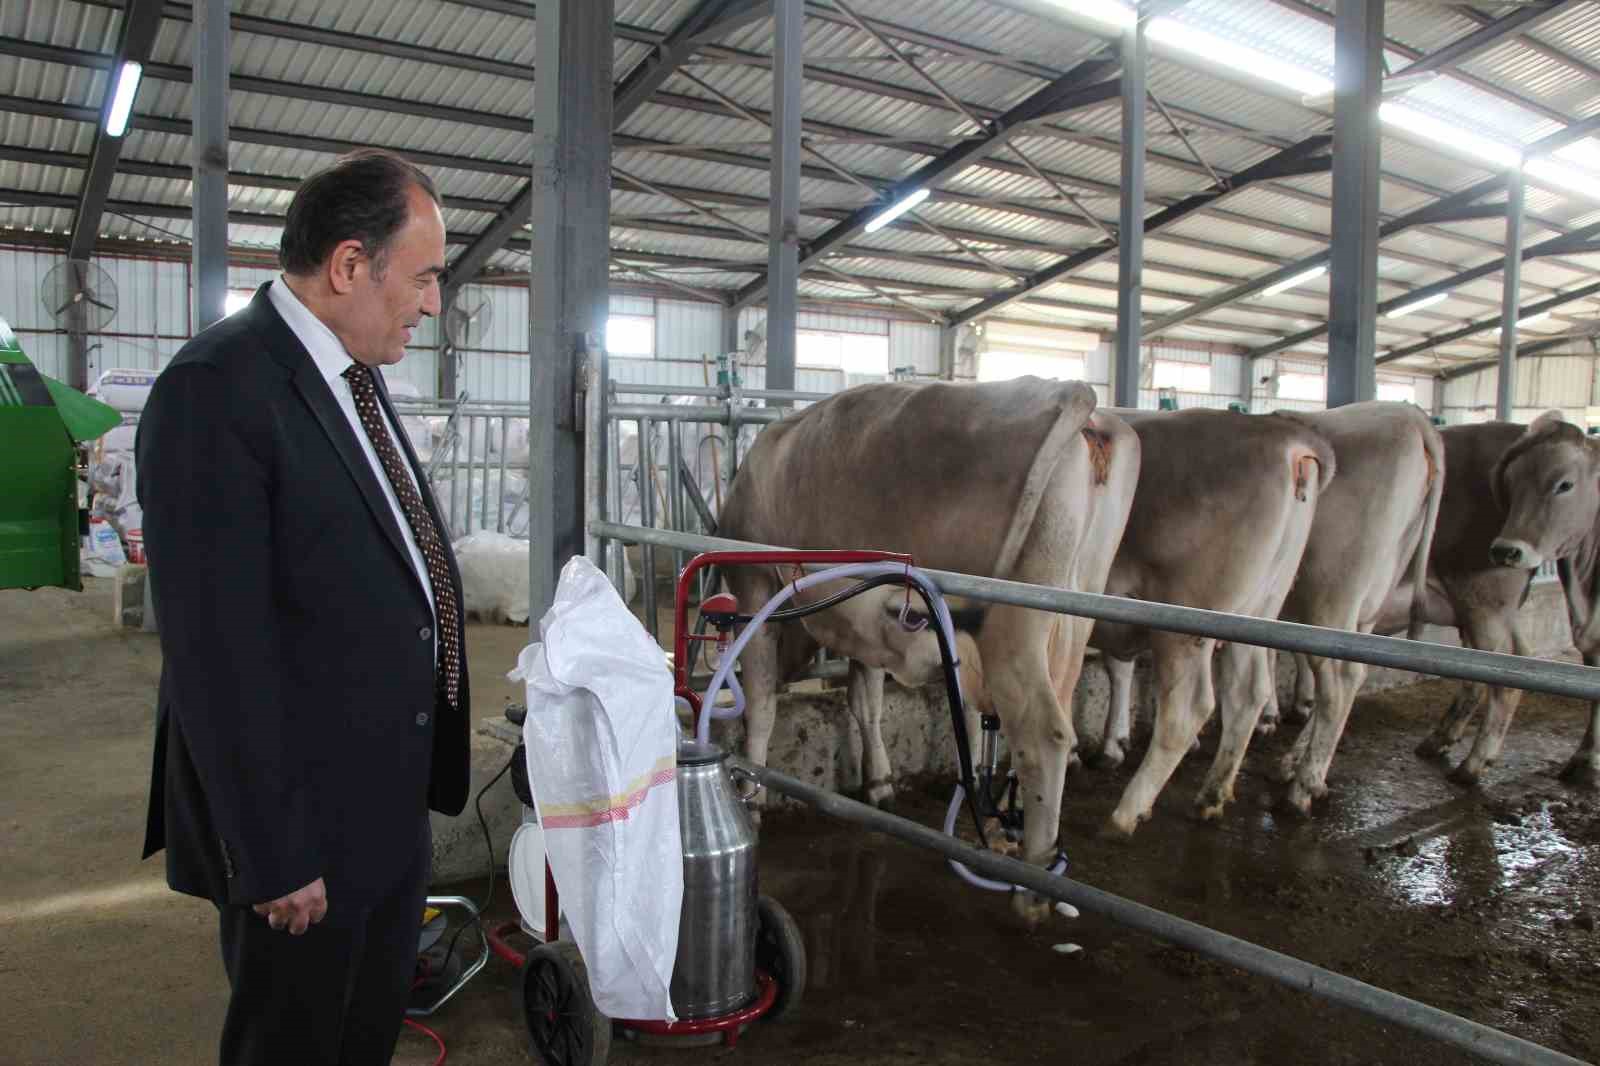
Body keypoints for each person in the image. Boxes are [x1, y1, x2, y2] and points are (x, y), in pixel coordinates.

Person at [136, 148, 470, 1065]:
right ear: (350, 266)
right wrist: (274, 853)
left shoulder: (351, 379)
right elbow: (216, 653)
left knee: (360, 1038)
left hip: (384, 808)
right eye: (426, 276)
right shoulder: (218, 389)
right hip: (303, 834)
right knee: (293, 1044)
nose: (434, 302)